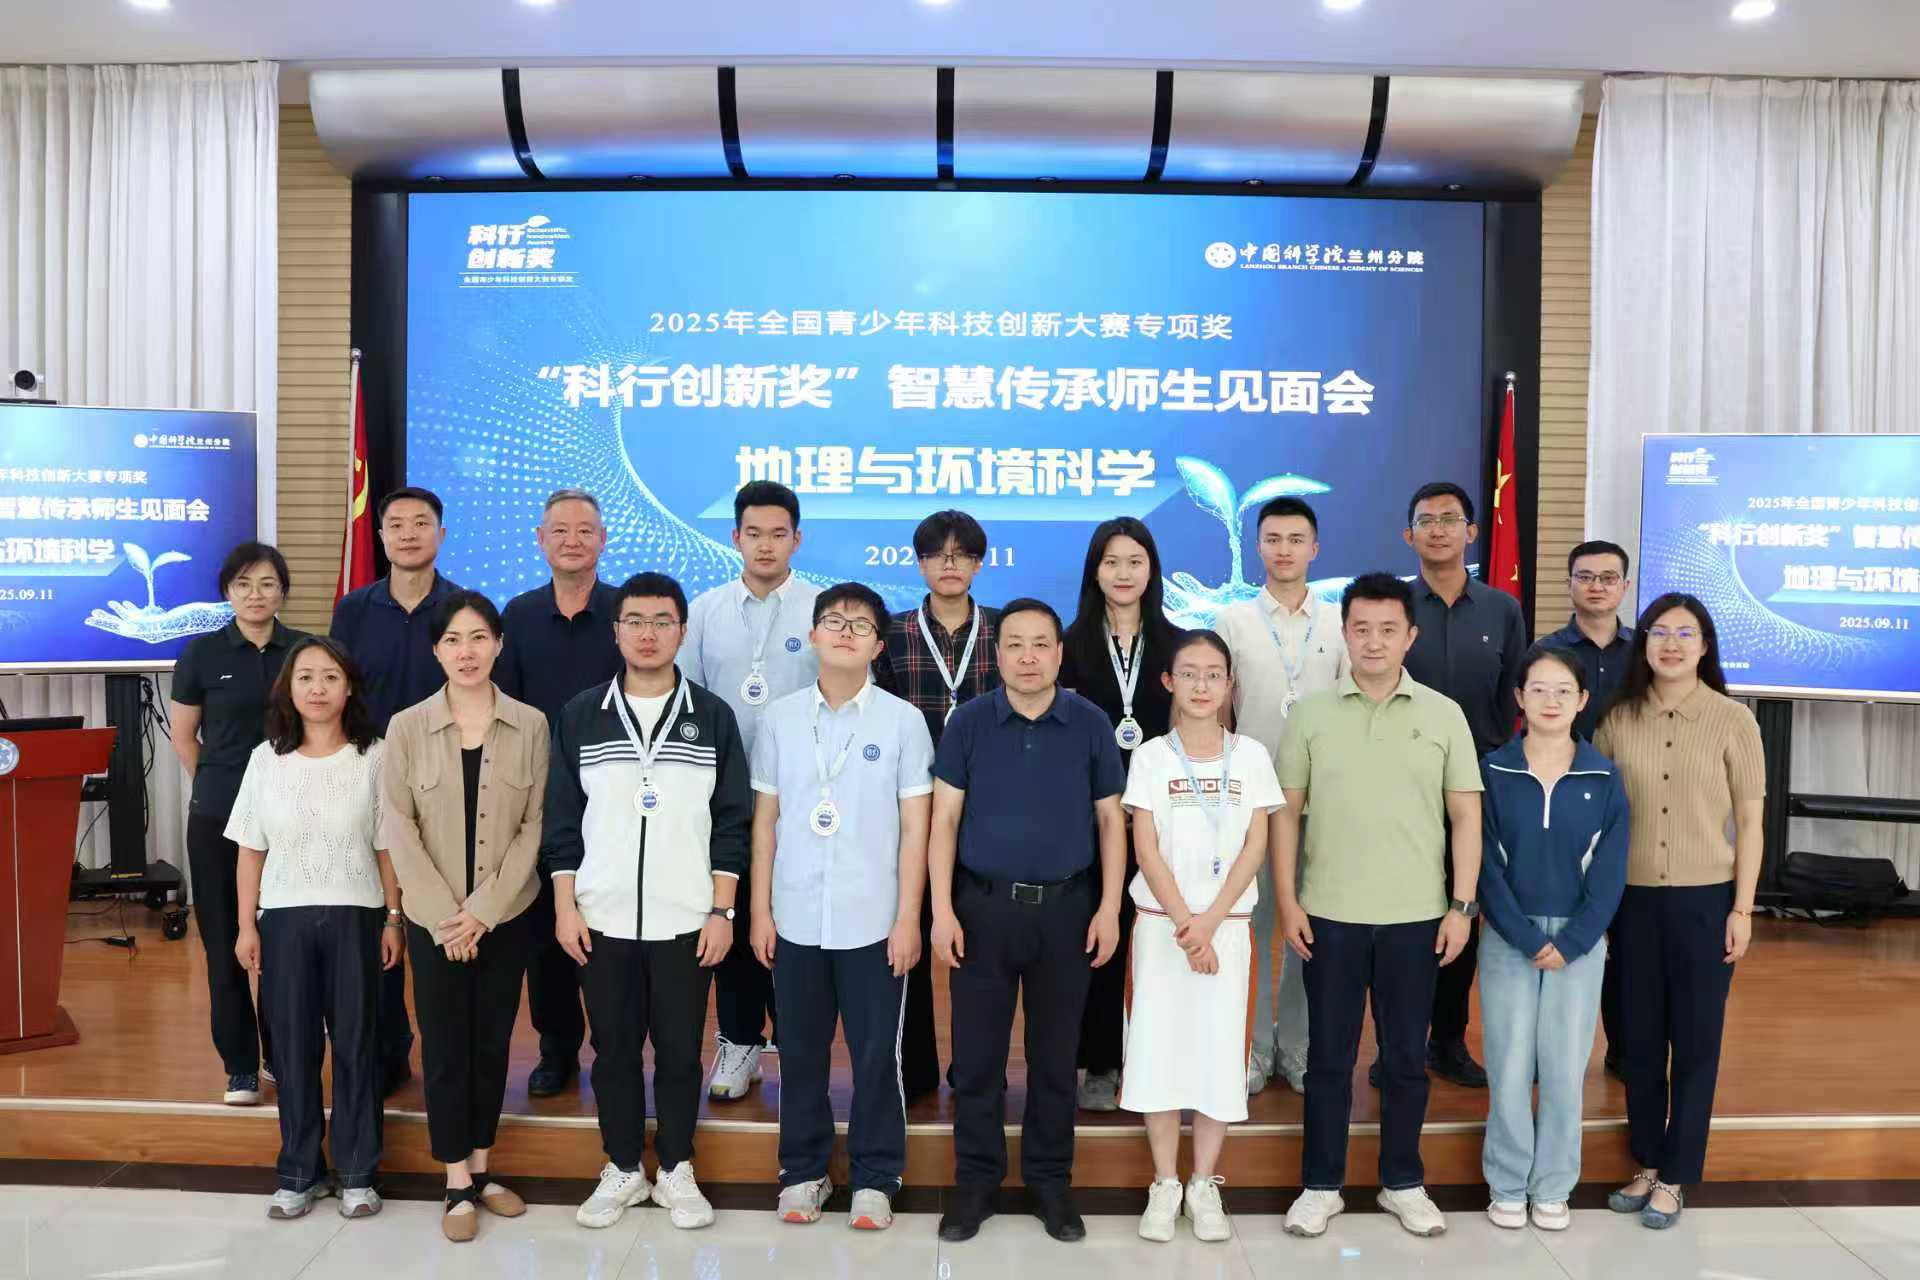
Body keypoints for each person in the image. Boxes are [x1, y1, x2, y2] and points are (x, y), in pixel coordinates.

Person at [1275, 573, 1482, 1241]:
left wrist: (1462, 906)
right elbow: (1285, 816)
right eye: (1360, 629)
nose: (1373, 641)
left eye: (1388, 629)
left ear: (1410, 636)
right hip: (1329, 915)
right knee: (1328, 1060)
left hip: (1416, 918)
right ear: (1345, 633)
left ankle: (1403, 1181)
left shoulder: (1444, 714)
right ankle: (1320, 1186)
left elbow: (1466, 817)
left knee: (1404, 1060)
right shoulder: (1311, 714)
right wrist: (1288, 900)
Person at [546, 572, 751, 1232]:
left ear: (681, 632)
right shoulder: (582, 714)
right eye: (635, 621)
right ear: (616, 631)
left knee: (681, 1052)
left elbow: (732, 821)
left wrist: (721, 911)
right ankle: (623, 1167)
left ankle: (678, 1167)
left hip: (686, 919)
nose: (648, 633)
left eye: (662, 621)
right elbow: (561, 821)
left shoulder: (711, 716)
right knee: (612, 1051)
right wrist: (566, 906)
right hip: (600, 918)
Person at [929, 598, 1127, 1245]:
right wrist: (941, 909)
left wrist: (1108, 907)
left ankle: (1050, 1183)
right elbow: (944, 820)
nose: (1028, 657)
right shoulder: (968, 723)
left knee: (1055, 1059)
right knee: (977, 1060)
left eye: (1041, 643)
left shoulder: (1090, 723)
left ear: (1059, 653)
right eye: (1015, 644)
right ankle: (975, 1183)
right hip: (982, 910)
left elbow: (1110, 821)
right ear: (997, 654)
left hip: (1068, 911)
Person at [749, 583, 935, 1231]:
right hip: (795, 914)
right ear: (814, 635)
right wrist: (760, 912)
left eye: (861, 625)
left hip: (874, 920)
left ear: (879, 646)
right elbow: (765, 822)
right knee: (800, 1052)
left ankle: (876, 1178)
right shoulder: (780, 718)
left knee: (877, 1055)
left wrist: (908, 918)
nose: (846, 632)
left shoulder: (903, 722)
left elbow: (916, 829)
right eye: (834, 621)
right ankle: (803, 1173)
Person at [381, 590, 549, 1242]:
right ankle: (454, 1180)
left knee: (491, 1043)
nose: (467, 651)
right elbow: (399, 827)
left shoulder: (531, 725)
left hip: (506, 917)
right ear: (436, 650)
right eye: (453, 639)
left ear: (499, 645)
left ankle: (482, 1168)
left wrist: (481, 912)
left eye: (479, 637)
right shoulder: (406, 728)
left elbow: (534, 827)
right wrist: (445, 917)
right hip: (434, 921)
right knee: (446, 1047)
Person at [1595, 594, 1763, 1231]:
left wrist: (1742, 908)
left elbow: (1751, 822)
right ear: (1643, 644)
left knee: (1695, 1042)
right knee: (1637, 1042)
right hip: (1631, 902)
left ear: (1705, 646)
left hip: (1705, 902)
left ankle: (1677, 1174)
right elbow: (1598, 817)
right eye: (1659, 632)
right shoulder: (1618, 718)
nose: (1670, 643)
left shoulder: (1733, 720)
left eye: (1685, 633)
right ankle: (1646, 1160)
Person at [1120, 631, 1283, 1246]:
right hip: (1162, 930)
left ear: (1230, 685)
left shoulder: (1253, 756)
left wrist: (1210, 923)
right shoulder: (1151, 757)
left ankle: (1203, 1183)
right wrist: (1188, 926)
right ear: (1168, 681)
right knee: (1158, 1053)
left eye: (1214, 674)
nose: (1201, 685)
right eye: (1188, 673)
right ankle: (1165, 1182)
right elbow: (1146, 848)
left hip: (1227, 932)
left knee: (1219, 1055)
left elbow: (1256, 846)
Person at [228, 637, 398, 1222]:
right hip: (283, 919)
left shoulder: (375, 756)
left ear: (349, 687)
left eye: (330, 677)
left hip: (357, 914)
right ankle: (299, 1172)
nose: (317, 688)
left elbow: (387, 847)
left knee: (357, 1044)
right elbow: (250, 849)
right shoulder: (264, 760)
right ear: (288, 688)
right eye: (305, 677)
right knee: (294, 1049)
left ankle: (357, 1173)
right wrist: (246, 926)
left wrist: (393, 918)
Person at [1477, 646, 1628, 1234]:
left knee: (1565, 1067)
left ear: (1583, 700)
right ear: (1519, 697)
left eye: (1564, 690)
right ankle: (1507, 1182)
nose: (1550, 700)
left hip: (1578, 945)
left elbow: (1611, 872)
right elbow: (1483, 863)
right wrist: (1521, 934)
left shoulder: (1603, 777)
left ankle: (1554, 1185)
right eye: (1538, 689)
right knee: (1509, 1063)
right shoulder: (1493, 771)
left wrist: (1575, 941)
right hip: (1507, 937)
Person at [680, 480, 820, 1101]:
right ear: (735, 537)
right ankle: (739, 1042)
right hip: (725, 795)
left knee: (795, 917)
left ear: (797, 539)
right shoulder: (706, 610)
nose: (766, 545)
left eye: (778, 534)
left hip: (803, 795)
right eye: (754, 533)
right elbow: (686, 700)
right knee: (732, 917)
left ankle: (797, 1043)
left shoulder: (820, 610)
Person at [1212, 496, 1347, 1097]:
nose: (1284, 549)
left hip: (1321, 805)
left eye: (1296, 539)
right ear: (1258, 546)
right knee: (1249, 928)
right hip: (1251, 805)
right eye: (1273, 538)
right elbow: (1218, 710)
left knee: (1305, 932)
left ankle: (1296, 1046)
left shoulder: (1340, 622)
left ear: (1315, 548)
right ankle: (1251, 1048)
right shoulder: (1233, 621)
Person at [331, 484, 462, 1095]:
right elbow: (339, 691)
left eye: (421, 523)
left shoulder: (462, 607)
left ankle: (448, 1057)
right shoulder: (354, 610)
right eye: (397, 524)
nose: (409, 534)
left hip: (448, 779)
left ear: (441, 533)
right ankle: (386, 1050)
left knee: (440, 918)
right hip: (370, 776)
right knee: (375, 917)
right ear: (380, 536)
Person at [1397, 481, 1527, 1090]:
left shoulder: (1502, 610)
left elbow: (1512, 696)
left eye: (1450, 519)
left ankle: (1447, 1039)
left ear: (1472, 532)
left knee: (1462, 907)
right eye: (1427, 520)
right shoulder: (1394, 607)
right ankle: (1399, 1042)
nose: (1439, 529)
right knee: (1402, 915)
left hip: (1478, 785)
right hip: (1401, 786)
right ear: (1409, 535)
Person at [496, 488, 625, 1098]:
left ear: (603, 539)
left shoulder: (626, 611)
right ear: (540, 539)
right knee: (547, 934)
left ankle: (615, 1050)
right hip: (542, 798)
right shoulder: (518, 616)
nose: (573, 540)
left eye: (585, 530)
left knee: (610, 930)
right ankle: (557, 1049)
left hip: (618, 799)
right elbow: (504, 707)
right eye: (560, 530)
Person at [168, 542, 306, 1107]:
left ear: (282, 592)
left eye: (267, 583)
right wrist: (223, 787)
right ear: (227, 591)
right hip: (218, 816)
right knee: (224, 941)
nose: (255, 594)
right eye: (244, 584)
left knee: (282, 942)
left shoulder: (303, 651)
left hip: (293, 817)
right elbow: (184, 737)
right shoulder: (200, 654)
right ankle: (240, 1066)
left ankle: (281, 1054)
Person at [873, 510, 1001, 1104]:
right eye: (937, 554)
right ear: (920, 563)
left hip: (986, 809)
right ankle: (915, 1068)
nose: (949, 565)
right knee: (912, 937)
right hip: (909, 807)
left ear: (979, 563)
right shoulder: (892, 633)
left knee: (982, 949)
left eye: (961, 554)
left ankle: (979, 1068)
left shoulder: (1005, 630)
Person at [1059, 516, 1180, 1112]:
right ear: (1094, 571)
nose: (1123, 573)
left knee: (1161, 941)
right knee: (1100, 943)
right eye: (1112, 562)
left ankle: (1163, 1058)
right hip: (1090, 820)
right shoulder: (1067, 645)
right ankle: (1102, 1061)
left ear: (1151, 569)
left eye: (1135, 561)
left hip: (1165, 820)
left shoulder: (1179, 645)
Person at [1537, 538, 1636, 1078]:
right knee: (1560, 922)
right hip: (1560, 805)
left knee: (1622, 933)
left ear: (1624, 586)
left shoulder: (1645, 652)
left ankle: (1623, 1047)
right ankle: (1544, 1052)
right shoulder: (1548, 653)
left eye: (1608, 577)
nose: (1596, 586)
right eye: (1585, 576)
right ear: (1569, 584)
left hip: (1628, 801)